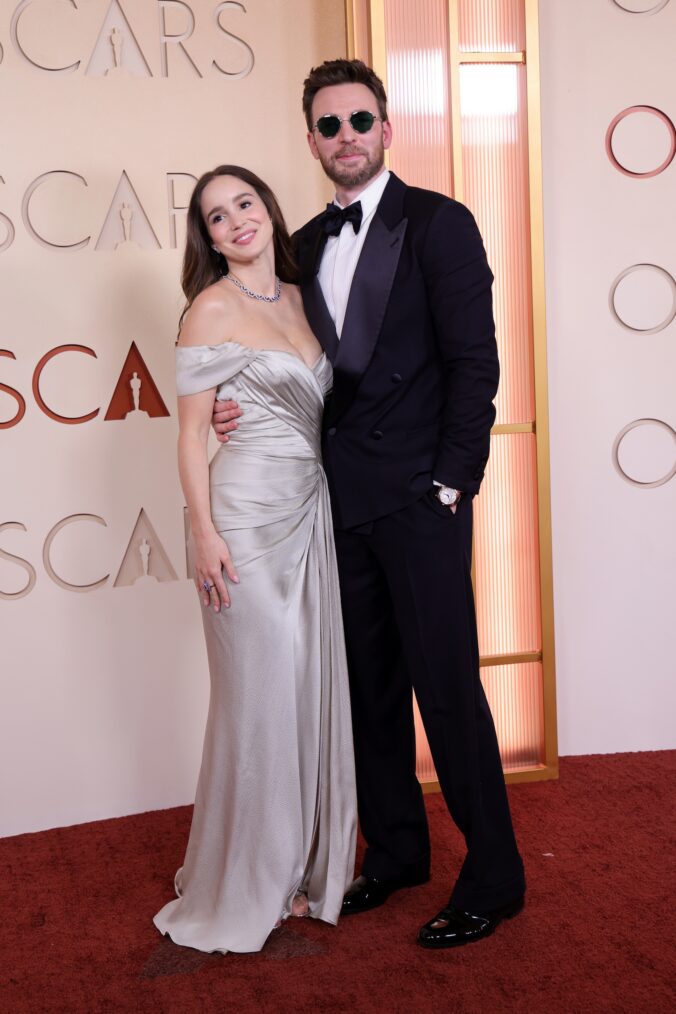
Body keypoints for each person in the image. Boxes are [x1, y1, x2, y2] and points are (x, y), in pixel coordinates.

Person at [213, 60, 526, 950]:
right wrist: (241, 404)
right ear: (310, 141)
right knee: (368, 694)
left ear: (386, 128)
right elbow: (290, 363)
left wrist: (452, 481)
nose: (344, 136)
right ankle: (394, 852)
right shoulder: (303, 243)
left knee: (448, 692)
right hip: (335, 503)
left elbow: (476, 364)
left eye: (359, 120)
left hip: (422, 500)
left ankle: (496, 876)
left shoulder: (440, 223)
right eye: (327, 125)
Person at [153, 165, 357, 954]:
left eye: (244, 204)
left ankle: (299, 869)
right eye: (216, 216)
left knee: (302, 691)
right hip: (239, 522)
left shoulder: (305, 300)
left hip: (310, 512)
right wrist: (202, 531)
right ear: (206, 239)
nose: (235, 221)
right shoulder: (210, 306)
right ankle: (246, 880)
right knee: (258, 698)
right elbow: (191, 433)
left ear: (269, 212)